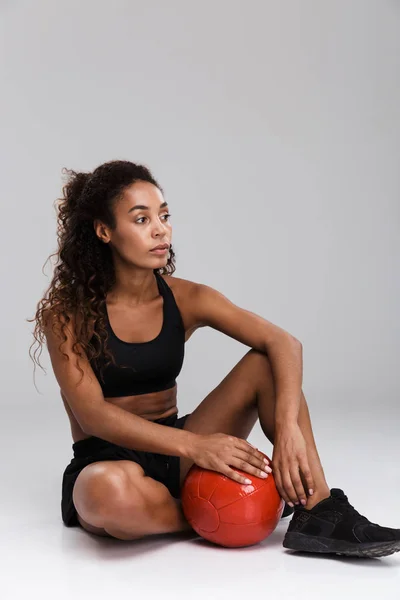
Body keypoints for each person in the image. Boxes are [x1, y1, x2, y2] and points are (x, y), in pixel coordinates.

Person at [29, 160, 400, 558]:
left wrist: (288, 427)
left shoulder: (188, 298)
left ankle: (320, 509)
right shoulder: (67, 314)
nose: (160, 229)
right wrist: (196, 446)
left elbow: (284, 343)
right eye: (141, 219)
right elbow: (93, 417)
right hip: (110, 461)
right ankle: (234, 511)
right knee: (106, 494)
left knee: (264, 363)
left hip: (179, 453)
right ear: (104, 231)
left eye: (164, 215)